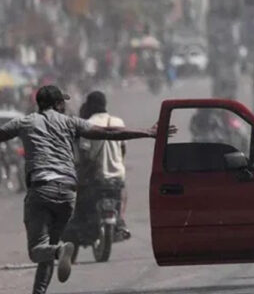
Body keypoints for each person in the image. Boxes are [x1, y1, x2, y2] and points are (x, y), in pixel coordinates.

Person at [0, 85, 174, 294]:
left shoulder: (25, 122)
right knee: (49, 249)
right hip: (67, 193)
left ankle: (60, 250)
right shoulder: (70, 122)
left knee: (38, 250)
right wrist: (147, 132)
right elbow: (108, 133)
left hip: (41, 190)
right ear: (57, 104)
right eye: (62, 102)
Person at [77, 91, 131, 237]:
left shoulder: (87, 124)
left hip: (97, 177)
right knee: (122, 193)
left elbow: (84, 153)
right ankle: (120, 220)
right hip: (117, 176)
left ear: (89, 106)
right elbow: (123, 149)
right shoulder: (118, 122)